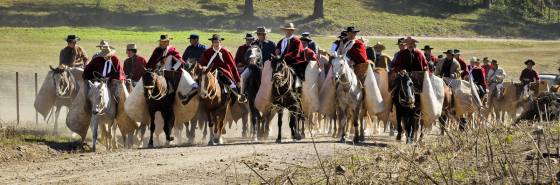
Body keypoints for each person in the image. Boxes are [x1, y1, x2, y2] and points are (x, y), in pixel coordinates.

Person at [198, 34, 244, 102]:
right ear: (212, 43)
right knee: (199, 83)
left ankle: (237, 98)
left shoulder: (225, 52)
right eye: (214, 42)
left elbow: (233, 66)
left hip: (224, 73)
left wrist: (237, 79)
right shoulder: (207, 52)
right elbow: (201, 63)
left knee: (232, 86)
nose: (216, 44)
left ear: (220, 42)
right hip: (210, 72)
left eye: (217, 42)